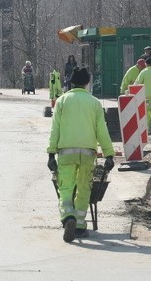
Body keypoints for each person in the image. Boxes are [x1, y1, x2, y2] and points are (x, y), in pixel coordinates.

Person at [46, 67, 115, 243]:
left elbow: (55, 130)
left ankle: (68, 216)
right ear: (87, 83)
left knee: (66, 188)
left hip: (66, 152)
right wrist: (109, 154)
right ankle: (79, 225)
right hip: (87, 153)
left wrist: (51, 153)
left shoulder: (62, 101)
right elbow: (102, 130)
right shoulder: (94, 103)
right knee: (84, 188)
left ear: (71, 82)